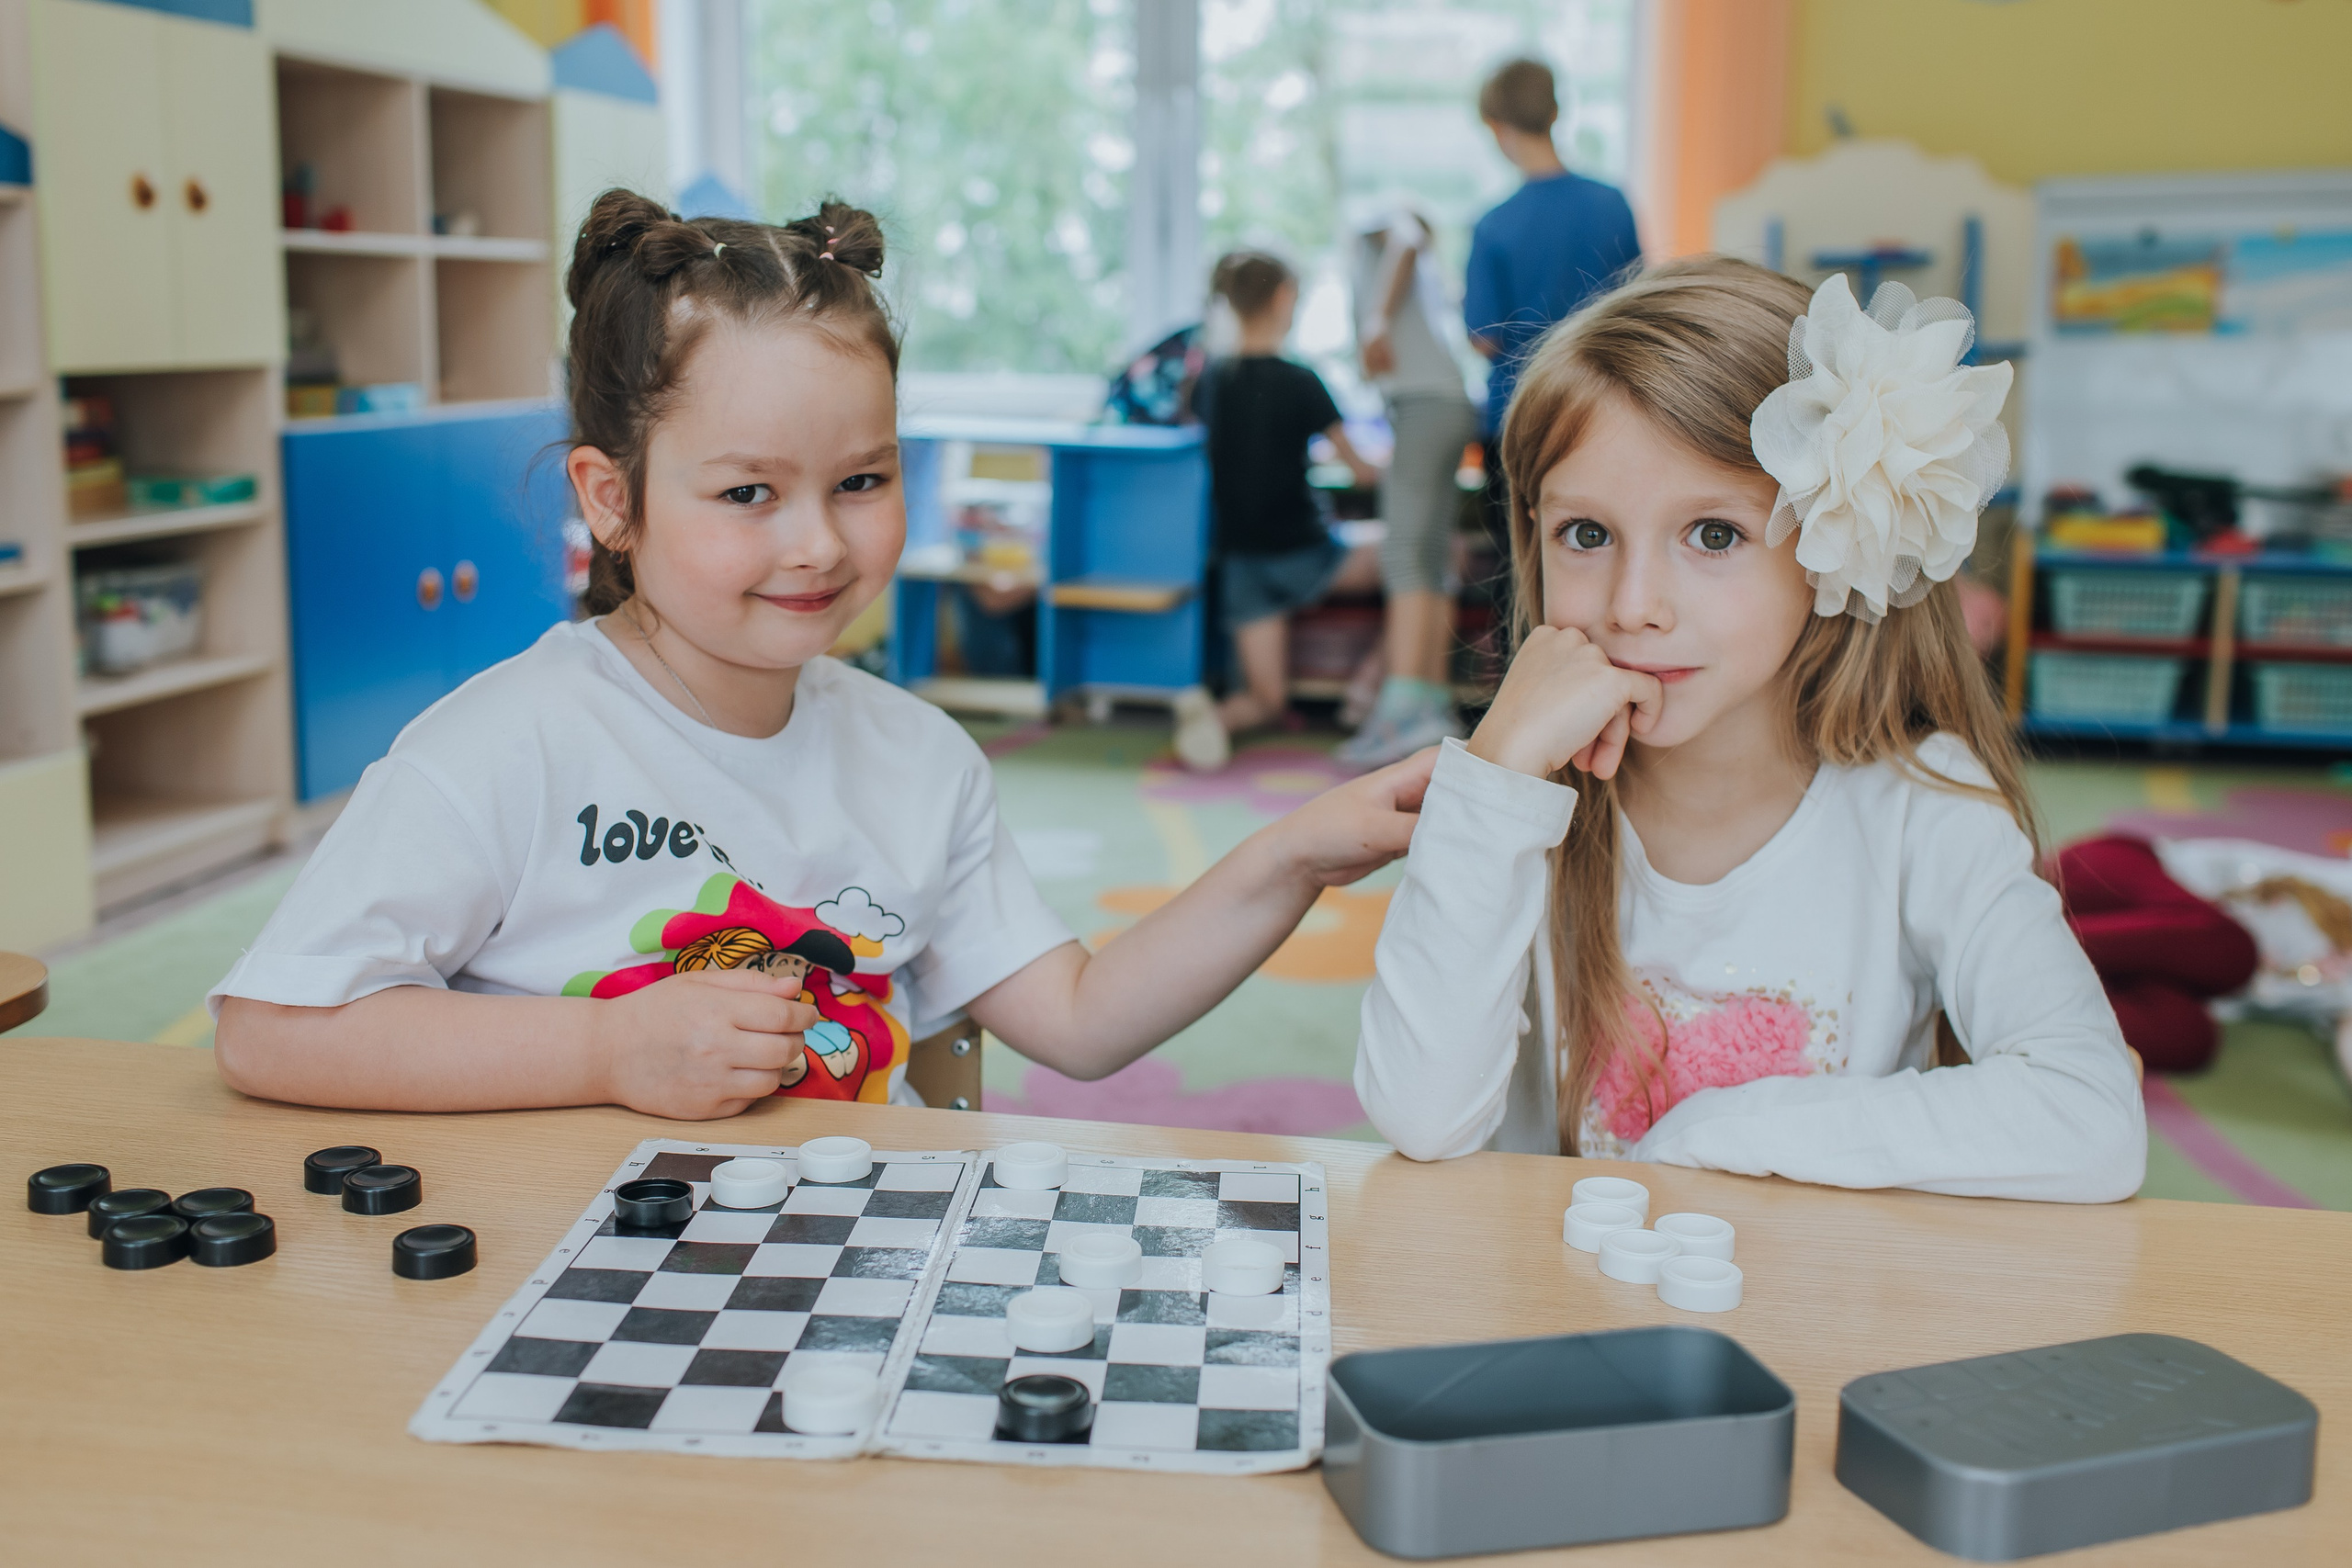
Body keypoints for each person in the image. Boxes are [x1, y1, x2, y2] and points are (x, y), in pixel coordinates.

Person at [209, 190, 1436, 1121]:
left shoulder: (916, 757)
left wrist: (1292, 852)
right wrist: (603, 1050)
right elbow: (273, 1027)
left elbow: (1080, 1018)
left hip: (842, 1282)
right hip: (569, 1290)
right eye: (748, 490)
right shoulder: (505, 745)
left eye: (861, 480)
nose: (816, 543)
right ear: (611, 496)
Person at [1354, 258, 2146, 1201]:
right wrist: (1490, 783)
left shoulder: (1922, 808)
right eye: (1587, 535)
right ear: (1532, 536)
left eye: (1714, 535)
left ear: (1831, 542)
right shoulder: (1517, 797)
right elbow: (1418, 1114)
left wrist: (1717, 1130)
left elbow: (2090, 1117)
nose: (1633, 606)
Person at [1177, 250, 1385, 771]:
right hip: (1306, 554)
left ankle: (1213, 719)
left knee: (1267, 702)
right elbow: (1361, 472)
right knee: (1419, 558)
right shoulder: (1301, 380)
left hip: (1242, 564)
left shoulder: (1209, 382)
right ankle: (1370, 685)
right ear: (1284, 299)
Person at [1463, 59, 1642, 558]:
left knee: (1521, 569)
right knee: (1598, 555)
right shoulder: (1613, 204)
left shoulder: (1494, 226)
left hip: (1519, 419)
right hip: (1604, 413)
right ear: (1555, 113)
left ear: (1496, 128)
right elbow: (1638, 310)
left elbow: (1484, 338)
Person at [1338, 204, 1481, 769]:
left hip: (1425, 403)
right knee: (1427, 549)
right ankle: (1428, 701)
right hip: (1434, 404)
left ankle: (1401, 710)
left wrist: (1374, 320)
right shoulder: (1398, 269)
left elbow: (1409, 232)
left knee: (1404, 550)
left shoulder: (1380, 225)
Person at [2056, 833, 2352, 1080]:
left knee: (2190, 1038)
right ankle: (2032, 943)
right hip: (2115, 880)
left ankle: (2026, 998)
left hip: (2134, 967)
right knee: (2235, 953)